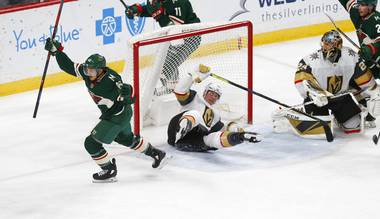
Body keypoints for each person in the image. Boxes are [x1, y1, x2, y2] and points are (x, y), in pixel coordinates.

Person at [44, 38, 169, 183]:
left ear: (100, 70)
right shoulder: (88, 73)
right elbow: (69, 66)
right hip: (119, 114)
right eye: (87, 69)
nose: (87, 72)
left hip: (117, 115)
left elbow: (131, 95)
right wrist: (57, 52)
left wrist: (127, 93)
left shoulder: (111, 79)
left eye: (91, 70)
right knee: (126, 139)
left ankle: (109, 169)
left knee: (91, 143)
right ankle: (157, 154)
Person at [274, 30, 380, 137]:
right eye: (324, 43)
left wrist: (375, 94)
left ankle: (338, 116)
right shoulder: (310, 60)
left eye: (329, 44)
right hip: (318, 100)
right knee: (319, 132)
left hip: (341, 98)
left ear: (338, 45)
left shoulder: (350, 57)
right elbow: (300, 81)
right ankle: (298, 113)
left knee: (354, 127)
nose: (325, 47)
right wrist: (315, 94)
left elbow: (366, 81)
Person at [167, 64, 260, 152]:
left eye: (216, 95)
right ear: (205, 93)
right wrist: (192, 75)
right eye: (211, 93)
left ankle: (241, 137)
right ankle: (180, 133)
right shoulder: (194, 97)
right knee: (195, 115)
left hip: (191, 141)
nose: (213, 96)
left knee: (211, 139)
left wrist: (234, 128)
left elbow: (223, 129)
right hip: (175, 131)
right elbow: (179, 90)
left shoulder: (216, 115)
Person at [125, 0, 201, 95]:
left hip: (191, 37)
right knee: (162, 63)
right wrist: (136, 10)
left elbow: (175, 30)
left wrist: (160, 17)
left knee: (167, 65)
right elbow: (150, 9)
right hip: (176, 38)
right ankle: (172, 87)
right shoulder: (157, 1)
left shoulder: (179, 3)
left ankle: (172, 88)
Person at [338, 0, 380, 79]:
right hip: (369, 62)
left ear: (371, 7)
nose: (360, 7)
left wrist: (370, 49)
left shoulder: (377, 21)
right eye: (359, 4)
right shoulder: (356, 13)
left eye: (363, 5)